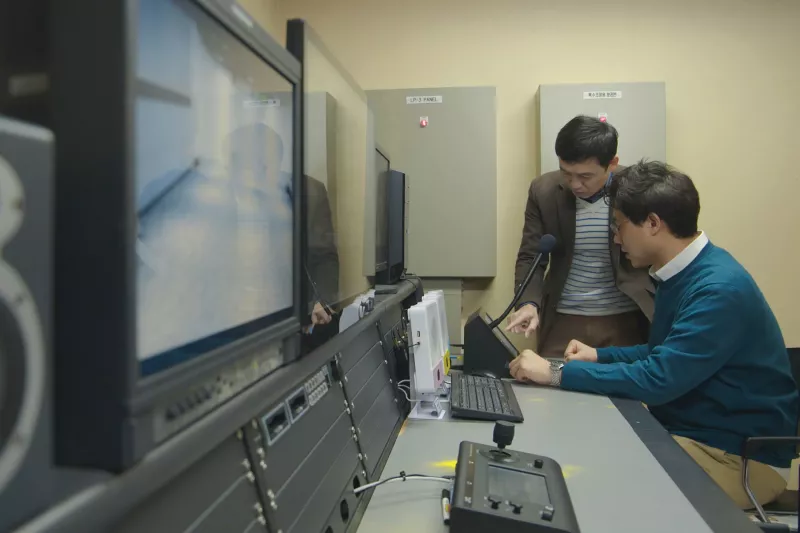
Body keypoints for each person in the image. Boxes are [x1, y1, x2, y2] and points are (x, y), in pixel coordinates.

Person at [508, 160, 799, 509]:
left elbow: (659, 379)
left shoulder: (718, 289)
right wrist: (599, 356)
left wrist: (555, 373)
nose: (615, 238)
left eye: (619, 226)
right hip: (697, 437)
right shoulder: (682, 271)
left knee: (598, 491)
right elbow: (662, 352)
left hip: (736, 458)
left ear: (653, 224)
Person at [506, 116, 654, 358]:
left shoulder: (637, 189)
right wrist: (528, 304)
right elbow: (531, 256)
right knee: (552, 387)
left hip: (627, 319)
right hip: (564, 319)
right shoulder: (543, 190)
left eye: (585, 176)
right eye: (567, 173)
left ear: (612, 164)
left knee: (624, 391)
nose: (575, 184)